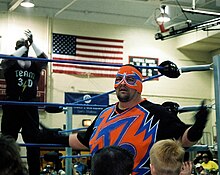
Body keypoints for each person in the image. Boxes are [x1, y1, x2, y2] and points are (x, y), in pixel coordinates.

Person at [41, 64, 210, 174]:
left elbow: (182, 140)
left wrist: (197, 128)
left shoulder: (156, 114)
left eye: (130, 80)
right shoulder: (104, 114)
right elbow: (86, 140)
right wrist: (50, 136)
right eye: (118, 79)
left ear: (139, 85)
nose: (123, 83)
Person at [0, 29, 48, 175]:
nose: (25, 49)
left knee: (33, 142)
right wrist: (24, 46)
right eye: (22, 47)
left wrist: (32, 44)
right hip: (12, 104)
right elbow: (5, 62)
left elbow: (45, 60)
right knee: (8, 141)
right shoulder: (11, 65)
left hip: (29, 105)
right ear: (18, 49)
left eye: (25, 46)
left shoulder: (34, 65)